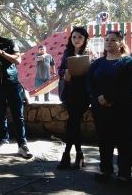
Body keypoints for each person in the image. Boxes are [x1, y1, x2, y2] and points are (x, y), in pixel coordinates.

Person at [88, 30, 132, 185]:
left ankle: (124, 174)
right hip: (101, 109)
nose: (109, 42)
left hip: (123, 109)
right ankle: (105, 170)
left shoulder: (129, 62)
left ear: (121, 43)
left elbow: (128, 86)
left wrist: (108, 98)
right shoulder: (97, 63)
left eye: (113, 40)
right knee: (104, 141)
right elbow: (89, 83)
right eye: (107, 39)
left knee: (124, 141)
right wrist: (98, 98)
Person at [0, 22, 33, 159]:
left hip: (12, 83)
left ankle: (22, 145)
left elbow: (18, 60)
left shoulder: (9, 43)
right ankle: (3, 141)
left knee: (18, 115)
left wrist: (2, 53)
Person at [56, 27, 91, 170]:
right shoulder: (67, 53)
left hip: (83, 94)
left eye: (80, 37)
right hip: (69, 93)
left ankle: (67, 155)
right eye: (74, 37)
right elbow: (60, 70)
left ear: (85, 39)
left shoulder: (89, 54)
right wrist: (64, 73)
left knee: (72, 122)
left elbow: (92, 74)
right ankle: (79, 155)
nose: (76, 40)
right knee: (73, 123)